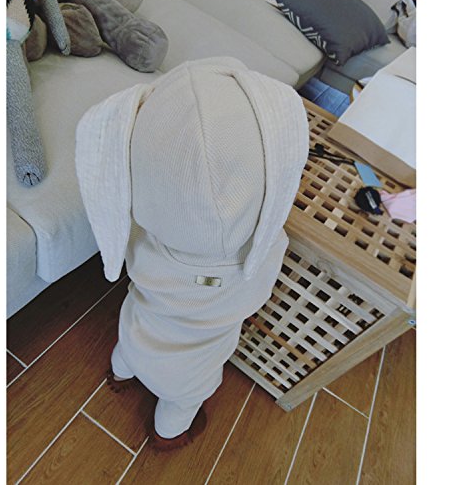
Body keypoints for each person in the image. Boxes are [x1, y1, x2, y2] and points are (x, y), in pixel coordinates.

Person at [75, 58, 309, 451]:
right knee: (181, 402)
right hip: (189, 372)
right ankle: (168, 433)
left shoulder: (143, 243)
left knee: (130, 345)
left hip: (136, 337)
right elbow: (263, 286)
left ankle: (119, 373)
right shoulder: (260, 257)